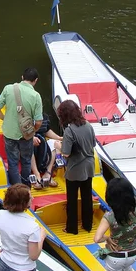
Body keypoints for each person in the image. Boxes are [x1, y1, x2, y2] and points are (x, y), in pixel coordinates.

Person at [0, 68, 43, 186]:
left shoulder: (8, 88)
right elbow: (39, 121)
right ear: (35, 80)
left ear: (22, 77)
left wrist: (6, 120)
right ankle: (26, 188)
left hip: (9, 133)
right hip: (26, 135)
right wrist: (32, 131)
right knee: (26, 161)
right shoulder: (36, 96)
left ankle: (17, 188)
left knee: (13, 162)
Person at [94, 177, 136, 271]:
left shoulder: (109, 216)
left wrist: (107, 238)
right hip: (133, 254)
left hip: (116, 257)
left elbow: (97, 238)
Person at [56, 99, 96, 234]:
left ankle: (72, 228)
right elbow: (93, 145)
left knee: (72, 199)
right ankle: (88, 225)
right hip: (89, 166)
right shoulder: (88, 125)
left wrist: (58, 146)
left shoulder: (69, 130)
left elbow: (66, 153)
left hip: (75, 169)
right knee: (87, 197)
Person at [30, 113, 61, 190]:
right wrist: (31, 138)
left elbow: (47, 130)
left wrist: (59, 138)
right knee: (28, 146)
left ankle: (47, 173)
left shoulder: (44, 116)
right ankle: (37, 175)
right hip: (27, 140)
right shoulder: (25, 115)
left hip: (41, 142)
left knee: (54, 143)